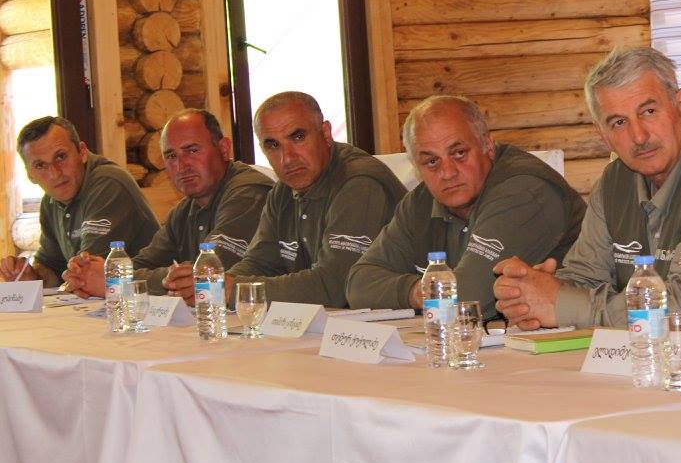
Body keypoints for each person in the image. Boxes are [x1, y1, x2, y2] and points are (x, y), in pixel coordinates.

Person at [493, 47, 681, 335]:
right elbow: (586, 278)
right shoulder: (615, 181)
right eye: (619, 122)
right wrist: (533, 293)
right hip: (654, 358)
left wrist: (561, 304)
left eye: (649, 111)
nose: (639, 136)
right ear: (603, 135)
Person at [346, 95, 586, 318]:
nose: (447, 172)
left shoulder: (524, 190)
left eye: (459, 153)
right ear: (416, 167)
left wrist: (424, 290)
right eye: (431, 161)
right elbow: (357, 286)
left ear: (487, 145)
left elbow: (468, 297)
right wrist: (419, 291)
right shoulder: (420, 202)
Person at [162, 91, 406, 308]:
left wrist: (230, 289)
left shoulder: (359, 183)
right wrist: (217, 284)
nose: (287, 158)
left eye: (297, 137)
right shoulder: (284, 190)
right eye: (273, 145)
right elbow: (260, 263)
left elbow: (334, 286)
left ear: (325, 133)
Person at [61, 109, 274, 296]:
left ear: (224, 149)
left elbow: (207, 275)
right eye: (171, 156)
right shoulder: (184, 210)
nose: (182, 166)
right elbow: (145, 262)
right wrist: (92, 273)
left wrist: (115, 280)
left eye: (192, 150)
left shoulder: (248, 192)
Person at [0, 116, 158, 287]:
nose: (55, 173)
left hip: (150, 298)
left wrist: (64, 278)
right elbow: (52, 268)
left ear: (82, 152)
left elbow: (86, 272)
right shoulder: (51, 201)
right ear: (30, 175)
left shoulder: (108, 184)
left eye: (60, 157)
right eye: (40, 165)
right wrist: (31, 277)